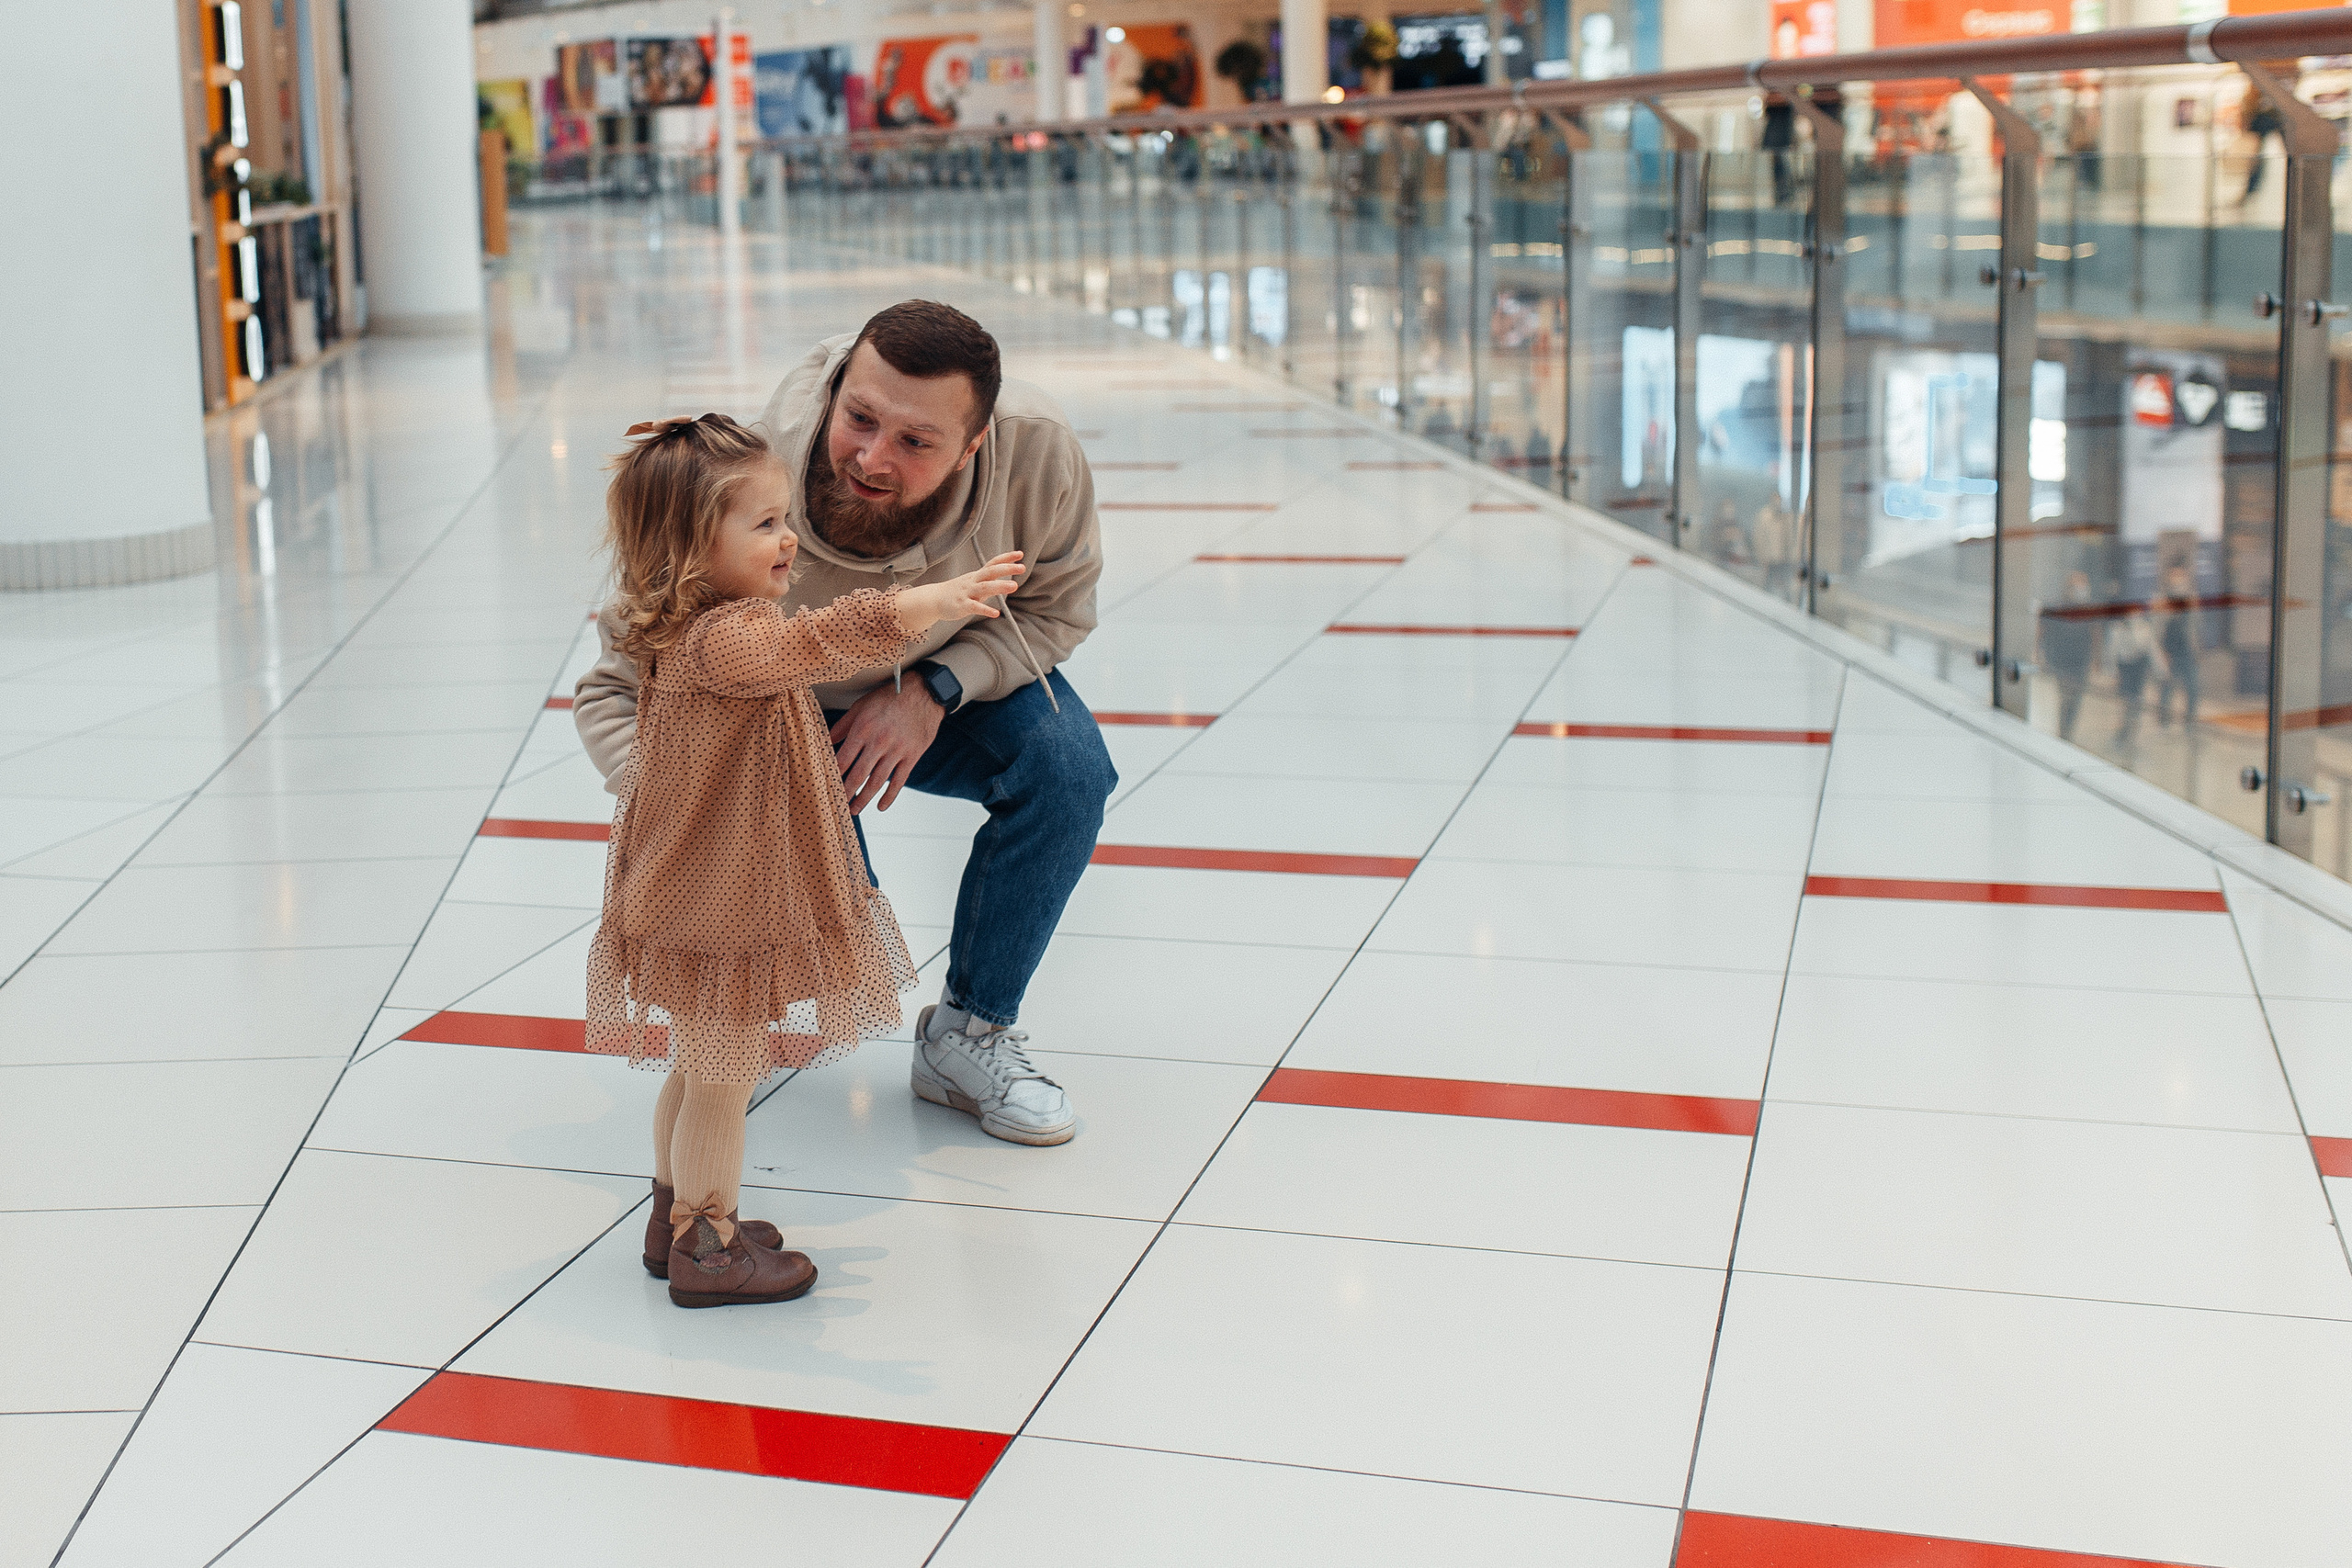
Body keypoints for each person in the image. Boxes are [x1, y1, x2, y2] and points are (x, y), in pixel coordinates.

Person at [576, 300, 1112, 1152]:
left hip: (948, 684)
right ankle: (700, 1195)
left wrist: (934, 689)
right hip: (777, 720)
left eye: (915, 442)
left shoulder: (1037, 455)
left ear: (974, 445)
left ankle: (969, 1037)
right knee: (778, 953)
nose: (870, 458)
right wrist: (681, 801)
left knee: (1070, 767)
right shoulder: (750, 477)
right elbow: (616, 685)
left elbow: (1055, 613)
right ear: (832, 394)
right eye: (858, 419)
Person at [586, 412, 1026, 1308]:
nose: (789, 539)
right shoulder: (728, 638)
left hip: (688, 887)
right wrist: (933, 602)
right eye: (763, 524)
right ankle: (708, 1247)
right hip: (718, 902)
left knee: (698, 1061)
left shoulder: (692, 626)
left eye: (785, 517)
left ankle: (674, 1221)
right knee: (722, 1076)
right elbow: (823, 638)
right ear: (689, 543)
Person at [2038, 570, 2098, 742]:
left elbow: (2096, 635)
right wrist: (2041, 655)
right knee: (2065, 696)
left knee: (2075, 699)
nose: (2080, 589)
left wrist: (2096, 661)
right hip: (2061, 661)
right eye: (2076, 585)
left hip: (2081, 662)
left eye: (2083, 585)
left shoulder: (2089, 610)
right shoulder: (2057, 607)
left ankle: (2067, 732)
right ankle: (2063, 733)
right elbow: (2042, 630)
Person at [2110, 600, 2163, 749]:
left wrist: (2161, 670)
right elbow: (2112, 652)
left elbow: (2153, 651)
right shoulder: (2118, 629)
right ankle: (2123, 731)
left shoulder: (2145, 629)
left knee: (2136, 701)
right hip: (2125, 669)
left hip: (2138, 670)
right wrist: (2112, 671)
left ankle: (2131, 732)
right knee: (2126, 702)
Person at [2156, 565, 2201, 729]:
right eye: (2174, 575)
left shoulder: (2191, 599)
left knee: (2193, 688)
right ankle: (2164, 722)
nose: (2178, 578)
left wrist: (2197, 648)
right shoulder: (2162, 599)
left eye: (2181, 575)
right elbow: (2157, 626)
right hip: (2169, 651)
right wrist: (2160, 651)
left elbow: (2196, 625)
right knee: (2167, 689)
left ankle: (2189, 723)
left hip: (2188, 650)